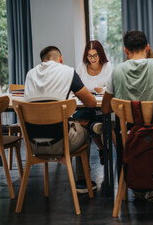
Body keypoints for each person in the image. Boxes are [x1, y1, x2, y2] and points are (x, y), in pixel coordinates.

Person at [101, 30, 153, 202]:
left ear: (126, 50)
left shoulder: (116, 72)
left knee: (120, 133)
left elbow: (104, 109)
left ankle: (138, 182)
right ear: (147, 48)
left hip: (129, 135)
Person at [24, 46, 98, 193]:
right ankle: (83, 181)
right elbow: (91, 103)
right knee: (84, 125)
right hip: (61, 142)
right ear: (61, 59)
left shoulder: (30, 74)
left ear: (42, 61)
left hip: (32, 144)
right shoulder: (68, 72)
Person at [74, 40, 113, 165]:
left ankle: (94, 130)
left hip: (103, 105)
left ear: (100, 54)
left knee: (87, 121)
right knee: (82, 119)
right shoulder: (81, 67)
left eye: (95, 55)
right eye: (90, 56)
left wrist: (104, 89)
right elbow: (76, 86)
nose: (92, 59)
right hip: (85, 105)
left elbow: (114, 87)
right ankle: (102, 148)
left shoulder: (107, 67)